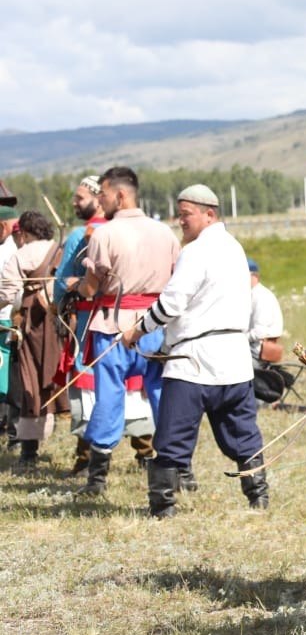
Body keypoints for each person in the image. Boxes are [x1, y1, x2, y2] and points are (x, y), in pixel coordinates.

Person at [120, 184, 268, 518]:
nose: (180, 221)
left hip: (194, 363)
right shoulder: (235, 248)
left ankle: (163, 507)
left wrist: (137, 330)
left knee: (172, 437)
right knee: (243, 433)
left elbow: (172, 303)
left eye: (186, 214)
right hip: (234, 361)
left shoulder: (196, 251)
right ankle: (259, 498)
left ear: (209, 213)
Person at [76, 166, 180, 496]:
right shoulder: (165, 233)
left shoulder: (105, 234)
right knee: (163, 395)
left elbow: (91, 288)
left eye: (104, 194)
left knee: (109, 396)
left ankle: (97, 479)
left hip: (114, 325)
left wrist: (76, 286)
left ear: (120, 195)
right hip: (157, 326)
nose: (101, 200)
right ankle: (179, 471)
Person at [53, 175, 156, 476]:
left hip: (95, 322)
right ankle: (145, 451)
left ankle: (88, 459)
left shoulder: (85, 235)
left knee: (97, 384)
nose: (76, 203)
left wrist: (62, 298)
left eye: (81, 197)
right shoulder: (149, 230)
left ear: (103, 199)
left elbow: (63, 282)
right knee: (139, 385)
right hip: (144, 321)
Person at [0, 211, 69, 468]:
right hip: (60, 321)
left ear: (26, 233)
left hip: (33, 323)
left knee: (30, 380)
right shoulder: (60, 249)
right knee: (56, 375)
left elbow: (6, 293)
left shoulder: (22, 254)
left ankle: (29, 450)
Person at [0, 206, 20, 448]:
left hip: (6, 317)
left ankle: (7, 423)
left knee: (4, 371)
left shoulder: (8, 250)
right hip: (10, 316)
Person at [247, 258, 284, 367]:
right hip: (250, 349)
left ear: (255, 276)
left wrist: (236, 339)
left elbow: (259, 332)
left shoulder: (261, 297)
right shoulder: (251, 295)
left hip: (257, 354)